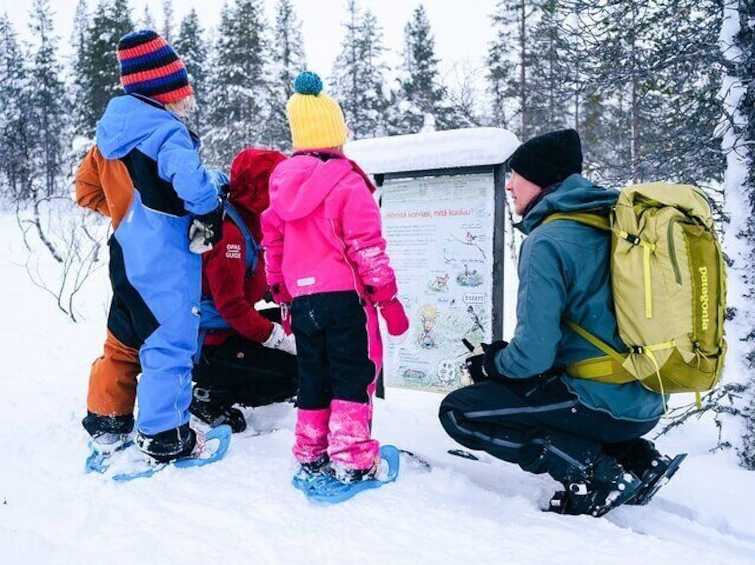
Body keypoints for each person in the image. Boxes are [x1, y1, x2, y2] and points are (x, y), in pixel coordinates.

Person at [439, 129, 675, 517]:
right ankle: (638, 459)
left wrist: (489, 365)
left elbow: (533, 356)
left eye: (517, 176)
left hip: (599, 406)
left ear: (542, 180)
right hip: (646, 401)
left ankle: (592, 474)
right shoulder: (612, 224)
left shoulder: (547, 241)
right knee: (538, 391)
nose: (510, 186)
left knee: (460, 412)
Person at [75, 30, 225, 463]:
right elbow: (194, 187)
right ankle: (164, 435)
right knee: (169, 341)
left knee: (122, 339)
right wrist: (207, 209)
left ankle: (107, 421)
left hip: (124, 253)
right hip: (164, 262)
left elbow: (85, 191)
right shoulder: (166, 132)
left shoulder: (107, 138)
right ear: (165, 90)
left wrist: (129, 214)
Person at [262, 71, 409, 486]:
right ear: (334, 134)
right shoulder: (348, 184)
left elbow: (273, 247)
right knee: (351, 373)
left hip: (304, 302)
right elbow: (366, 246)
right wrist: (387, 298)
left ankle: (310, 452)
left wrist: (283, 294)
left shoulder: (280, 188)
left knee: (314, 375)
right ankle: (351, 457)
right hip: (345, 299)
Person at [189, 148, 299, 433]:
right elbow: (231, 305)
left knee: (302, 333)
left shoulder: (250, 220)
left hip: (228, 330)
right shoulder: (230, 236)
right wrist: (275, 337)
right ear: (260, 189)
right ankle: (209, 396)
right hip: (211, 342)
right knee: (296, 370)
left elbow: (254, 281)